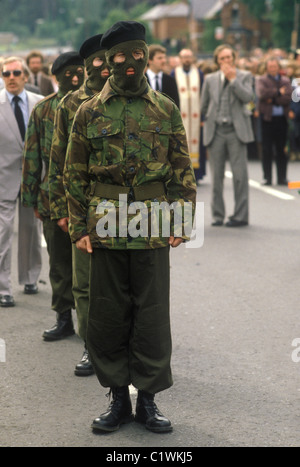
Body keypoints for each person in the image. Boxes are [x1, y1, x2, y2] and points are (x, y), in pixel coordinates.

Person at [64, 21, 196, 433]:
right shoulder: (89, 110)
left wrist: (182, 221)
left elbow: (181, 169)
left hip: (153, 224)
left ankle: (150, 401)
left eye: (136, 55)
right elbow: (74, 172)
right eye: (119, 57)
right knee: (108, 315)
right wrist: (80, 228)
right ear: (107, 61)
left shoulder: (165, 108)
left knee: (153, 316)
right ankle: (118, 399)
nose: (129, 64)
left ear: (144, 55)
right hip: (106, 224)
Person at [49, 34, 110, 376]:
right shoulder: (71, 103)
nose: (105, 66)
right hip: (84, 208)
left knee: (121, 287)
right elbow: (58, 163)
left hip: (123, 212)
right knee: (84, 285)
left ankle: (124, 347)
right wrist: (61, 210)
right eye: (98, 61)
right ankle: (91, 346)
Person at [21, 52, 85, 349]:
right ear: (55, 77)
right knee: (59, 263)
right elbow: (32, 156)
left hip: (85, 200)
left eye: (79, 72)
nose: (75, 78)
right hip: (52, 197)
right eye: (68, 74)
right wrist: (31, 196)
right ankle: (63, 316)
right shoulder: (44, 110)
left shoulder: (92, 105)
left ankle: (92, 324)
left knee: (87, 266)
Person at [0, 56, 43, 307]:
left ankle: (30, 278)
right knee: (3, 235)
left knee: (30, 231)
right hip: (4, 178)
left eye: (16, 73)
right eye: (6, 74)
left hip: (33, 179)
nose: (11, 78)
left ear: (25, 76)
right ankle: (4, 288)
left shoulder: (39, 103)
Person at [201, 44, 254, 227]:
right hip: (215, 131)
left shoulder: (245, 76)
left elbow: (248, 97)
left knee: (240, 176)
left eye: (229, 58)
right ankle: (217, 215)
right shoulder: (209, 79)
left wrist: (233, 80)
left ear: (234, 58)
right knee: (216, 177)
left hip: (236, 131)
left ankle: (240, 215)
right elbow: (203, 105)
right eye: (222, 58)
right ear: (217, 61)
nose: (226, 61)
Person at [256, 56, 293, 185]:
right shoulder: (262, 79)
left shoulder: (285, 80)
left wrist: (272, 98)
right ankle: (267, 177)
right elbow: (262, 94)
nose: (273, 69)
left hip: (281, 119)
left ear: (278, 67)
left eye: (275, 66)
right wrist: (278, 92)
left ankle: (282, 177)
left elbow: (288, 97)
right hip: (267, 119)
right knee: (266, 149)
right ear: (267, 68)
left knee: (281, 149)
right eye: (270, 67)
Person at [171, 48, 205, 184]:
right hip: (182, 115)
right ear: (180, 58)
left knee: (197, 143)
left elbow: (203, 94)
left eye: (189, 57)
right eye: (184, 57)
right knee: (181, 142)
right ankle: (182, 173)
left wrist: (203, 116)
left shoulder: (199, 73)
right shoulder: (174, 73)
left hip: (197, 115)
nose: (187, 59)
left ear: (193, 58)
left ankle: (197, 173)